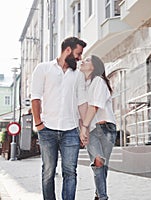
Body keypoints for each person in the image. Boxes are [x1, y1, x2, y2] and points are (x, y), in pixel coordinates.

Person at [30, 36, 87, 200]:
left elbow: (82, 103)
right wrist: (38, 124)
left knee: (70, 171)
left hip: (70, 130)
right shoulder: (43, 69)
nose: (80, 58)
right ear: (67, 50)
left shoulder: (78, 75)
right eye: (78, 54)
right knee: (48, 171)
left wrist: (84, 128)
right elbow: (35, 98)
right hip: (47, 129)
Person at [79, 55, 117, 200]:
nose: (83, 61)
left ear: (95, 67)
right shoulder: (84, 85)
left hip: (106, 128)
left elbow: (94, 106)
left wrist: (84, 127)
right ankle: (102, 196)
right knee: (98, 163)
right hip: (92, 130)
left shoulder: (99, 81)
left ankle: (99, 195)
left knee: (101, 164)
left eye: (87, 60)